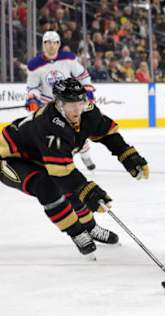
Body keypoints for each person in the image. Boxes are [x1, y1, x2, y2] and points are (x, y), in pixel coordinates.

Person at [0, 78, 149, 257]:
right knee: (48, 186)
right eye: (71, 104)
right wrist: (89, 191)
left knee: (73, 187)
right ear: (59, 103)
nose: (77, 108)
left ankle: (91, 227)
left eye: (80, 102)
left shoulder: (88, 112)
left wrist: (128, 156)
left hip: (43, 157)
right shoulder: (48, 124)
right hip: (11, 158)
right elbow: (61, 172)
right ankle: (77, 232)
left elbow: (106, 133)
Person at [25, 31, 97, 171]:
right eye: (47, 42)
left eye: (54, 42)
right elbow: (33, 87)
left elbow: (83, 75)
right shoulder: (34, 65)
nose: (51, 46)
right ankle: (54, 162)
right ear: (43, 44)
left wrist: (87, 89)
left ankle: (85, 154)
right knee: (51, 134)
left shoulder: (68, 59)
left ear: (58, 44)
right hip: (49, 105)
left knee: (77, 131)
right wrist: (33, 98)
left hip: (69, 102)